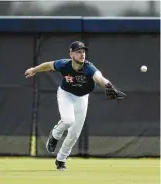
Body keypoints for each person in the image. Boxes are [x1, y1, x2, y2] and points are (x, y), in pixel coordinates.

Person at [24, 41, 126, 171]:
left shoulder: (89, 68)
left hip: (82, 97)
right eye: (78, 52)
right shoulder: (64, 64)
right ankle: (55, 135)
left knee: (74, 133)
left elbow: (99, 77)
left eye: (83, 51)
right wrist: (34, 69)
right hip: (66, 94)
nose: (82, 54)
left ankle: (61, 159)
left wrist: (108, 86)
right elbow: (49, 65)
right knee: (68, 120)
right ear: (71, 54)